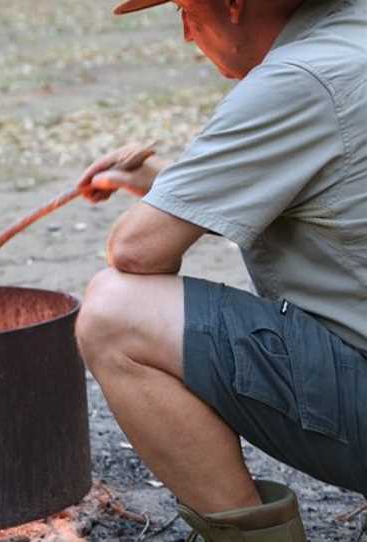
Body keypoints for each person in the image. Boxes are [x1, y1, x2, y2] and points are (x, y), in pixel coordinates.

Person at [74, 0, 366, 540]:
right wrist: (163, 181)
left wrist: (165, 201)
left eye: (186, 8)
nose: (185, 33)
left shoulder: (298, 79)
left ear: (233, 5)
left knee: (116, 312)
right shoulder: (353, 40)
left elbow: (136, 251)